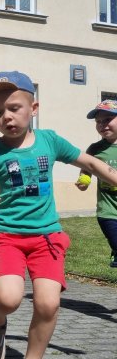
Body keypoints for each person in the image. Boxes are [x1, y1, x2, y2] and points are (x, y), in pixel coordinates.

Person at [0, 71, 117, 359]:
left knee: (48, 305)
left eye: (14, 108)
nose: (6, 117)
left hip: (47, 238)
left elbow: (88, 160)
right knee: (7, 299)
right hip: (8, 237)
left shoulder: (49, 141)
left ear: (33, 109)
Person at [75, 100, 117, 268]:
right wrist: (84, 181)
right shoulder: (95, 149)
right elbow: (87, 169)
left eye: (107, 119)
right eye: (98, 122)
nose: (102, 125)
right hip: (108, 211)